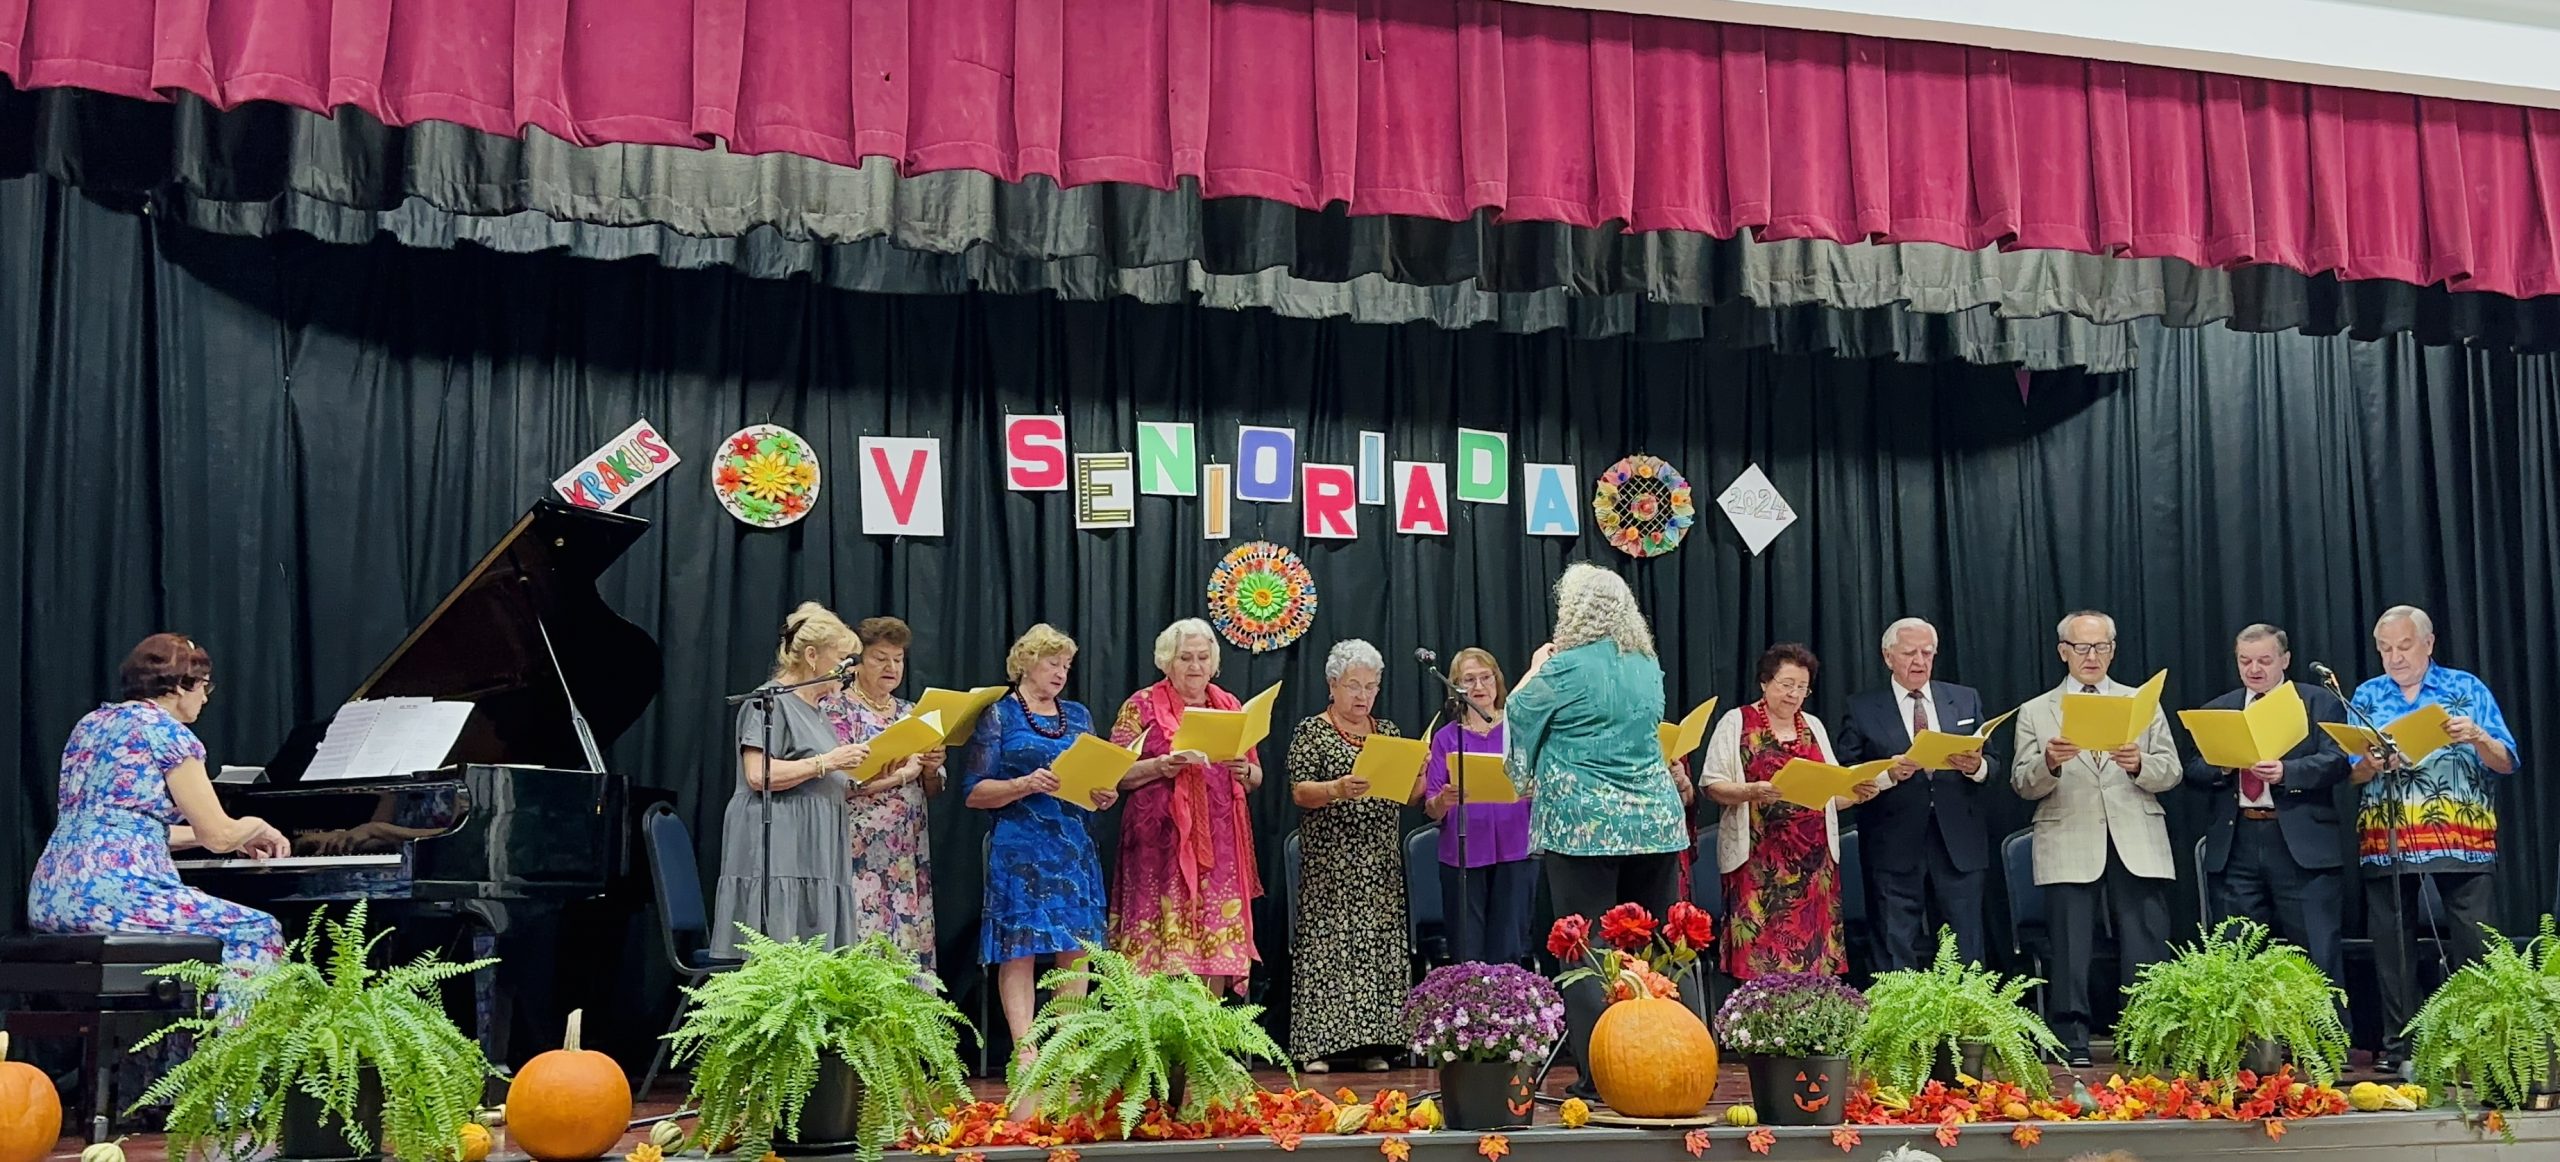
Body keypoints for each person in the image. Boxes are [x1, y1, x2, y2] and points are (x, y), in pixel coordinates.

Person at [1506, 563, 1693, 1099]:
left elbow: (1517, 714)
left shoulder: (1562, 667)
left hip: (1583, 827)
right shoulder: (1647, 665)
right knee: (1655, 947)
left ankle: (1601, 1076)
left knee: (1585, 948)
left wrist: (1534, 668)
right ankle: (1665, 1062)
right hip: (1654, 824)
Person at [27, 634, 289, 986]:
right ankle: (225, 1025)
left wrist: (213, 836)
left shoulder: (91, 725)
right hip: (112, 896)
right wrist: (256, 825)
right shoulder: (169, 735)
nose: (205, 698)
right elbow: (220, 837)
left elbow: (131, 827)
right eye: (204, 686)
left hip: (51, 896)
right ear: (181, 685)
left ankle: (178, 1022)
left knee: (200, 917)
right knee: (258, 931)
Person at [2350, 605, 2516, 1074]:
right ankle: (2401, 1048)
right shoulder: (2366, 695)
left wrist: (2477, 737)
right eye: (2386, 649)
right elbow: (2351, 772)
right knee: (2393, 949)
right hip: (2388, 837)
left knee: (2475, 942)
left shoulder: (2465, 688)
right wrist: (2372, 764)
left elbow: (2507, 760)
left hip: (2460, 835)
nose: (2395, 657)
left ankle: (2482, 1045)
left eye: (2404, 646)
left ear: (2428, 643)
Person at [2010, 610, 2180, 1067]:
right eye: (2082, 647)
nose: (2092, 656)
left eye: (2101, 646)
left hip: (2135, 834)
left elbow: (2171, 771)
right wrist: (2049, 762)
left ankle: (2144, 1036)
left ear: (2113, 649)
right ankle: (2071, 1038)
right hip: (2069, 833)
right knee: (2070, 945)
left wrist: (2140, 763)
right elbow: (2022, 783)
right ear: (2063, 651)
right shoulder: (2037, 710)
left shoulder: (2140, 702)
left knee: (2144, 942)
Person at [964, 624, 1119, 1102]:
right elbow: (974, 792)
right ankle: (1026, 1052)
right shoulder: (1000, 715)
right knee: (1020, 951)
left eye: (1066, 665)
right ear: (1027, 662)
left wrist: (1104, 792)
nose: (1061, 672)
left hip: (1072, 847)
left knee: (1075, 951)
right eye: (1053, 663)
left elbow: (1096, 779)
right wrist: (1023, 784)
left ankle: (1066, 1050)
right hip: (1020, 849)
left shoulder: (1079, 715)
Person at [2182, 624, 2351, 987]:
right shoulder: (2219, 709)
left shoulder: (2318, 702)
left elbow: (2338, 761)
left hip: (2300, 845)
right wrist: (2223, 766)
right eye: (2245, 661)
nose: (2254, 669)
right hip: (2237, 844)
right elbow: (2192, 769)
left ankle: (2326, 1027)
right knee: (2234, 956)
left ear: (2285, 660)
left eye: (2264, 660)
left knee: (2317, 956)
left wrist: (2287, 771)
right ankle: (2245, 1027)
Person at [1699, 643, 1883, 979]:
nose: (1794, 694)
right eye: (1786, 684)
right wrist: (1752, 791)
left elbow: (1830, 794)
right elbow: (1712, 785)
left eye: (1802, 687)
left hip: (1814, 867)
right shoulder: (1737, 722)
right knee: (1760, 961)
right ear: (1764, 682)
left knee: (1813, 963)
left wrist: (1855, 794)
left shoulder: (1813, 725)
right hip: (1758, 864)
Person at [1107, 618, 1264, 995]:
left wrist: (1245, 771)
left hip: (1219, 849)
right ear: (1167, 661)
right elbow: (1112, 773)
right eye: (1185, 658)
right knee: (1159, 943)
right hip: (1156, 847)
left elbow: (1256, 776)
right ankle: (1154, 1032)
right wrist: (1160, 766)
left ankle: (1204, 1031)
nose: (1195, 666)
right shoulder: (1140, 705)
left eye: (1202, 657)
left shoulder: (1230, 705)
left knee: (1214, 942)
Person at [1831, 617, 1995, 972]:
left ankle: (1965, 1010)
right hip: (1892, 842)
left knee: (1964, 948)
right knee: (1895, 947)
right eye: (1909, 653)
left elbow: (1993, 764)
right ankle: (1900, 1010)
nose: (1919, 661)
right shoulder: (1862, 707)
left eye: (1927, 653)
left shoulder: (1964, 699)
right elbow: (1846, 774)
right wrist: (1888, 775)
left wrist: (1976, 767)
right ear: (1888, 657)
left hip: (1958, 842)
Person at [710, 603, 873, 956]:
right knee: (779, 945)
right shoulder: (769, 703)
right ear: (812, 656)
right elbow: (758, 774)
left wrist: (884, 770)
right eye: (841, 660)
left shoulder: (819, 713)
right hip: (781, 842)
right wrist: (827, 761)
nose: (848, 671)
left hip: (818, 845)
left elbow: (827, 779)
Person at [1285, 639, 1408, 1072]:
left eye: (1371, 687)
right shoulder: (1312, 731)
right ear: (1332, 685)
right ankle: (1317, 1047)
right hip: (1332, 866)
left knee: (1377, 946)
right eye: (1354, 686)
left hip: (1380, 864)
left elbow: (1409, 795)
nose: (1362, 696)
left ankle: (1374, 1044)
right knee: (1329, 948)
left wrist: (1421, 771)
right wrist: (1336, 788)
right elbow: (1300, 792)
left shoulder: (1388, 732)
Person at [818, 616, 942, 972]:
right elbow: (838, 784)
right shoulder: (837, 709)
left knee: (907, 940)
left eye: (898, 659)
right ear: (857, 663)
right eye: (880, 658)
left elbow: (933, 789)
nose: (891, 667)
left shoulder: (911, 713)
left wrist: (931, 767)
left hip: (907, 851)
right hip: (860, 848)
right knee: (864, 936)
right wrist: (900, 775)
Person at [1421, 647, 1534, 966]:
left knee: (1509, 950)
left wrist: (1534, 789)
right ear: (1456, 688)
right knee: (1467, 952)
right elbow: (1431, 807)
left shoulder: (1519, 730)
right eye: (1469, 680)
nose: (1479, 686)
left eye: (1486, 677)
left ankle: (1510, 1000)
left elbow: (1542, 782)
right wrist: (1443, 800)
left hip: (1515, 850)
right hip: (1463, 854)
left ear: (1497, 681)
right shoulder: (1447, 738)